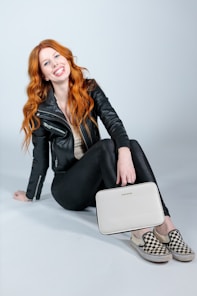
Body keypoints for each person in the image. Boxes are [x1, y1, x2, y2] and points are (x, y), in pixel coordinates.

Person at [14, 39, 195, 263]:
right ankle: (137, 229)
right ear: (44, 75)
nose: (55, 64)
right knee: (106, 147)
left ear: (67, 59)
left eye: (57, 56)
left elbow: (114, 123)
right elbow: (40, 159)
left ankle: (164, 221)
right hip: (68, 189)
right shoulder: (42, 112)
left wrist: (125, 153)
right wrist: (31, 194)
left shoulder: (89, 89)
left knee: (131, 144)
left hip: (97, 184)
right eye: (46, 63)